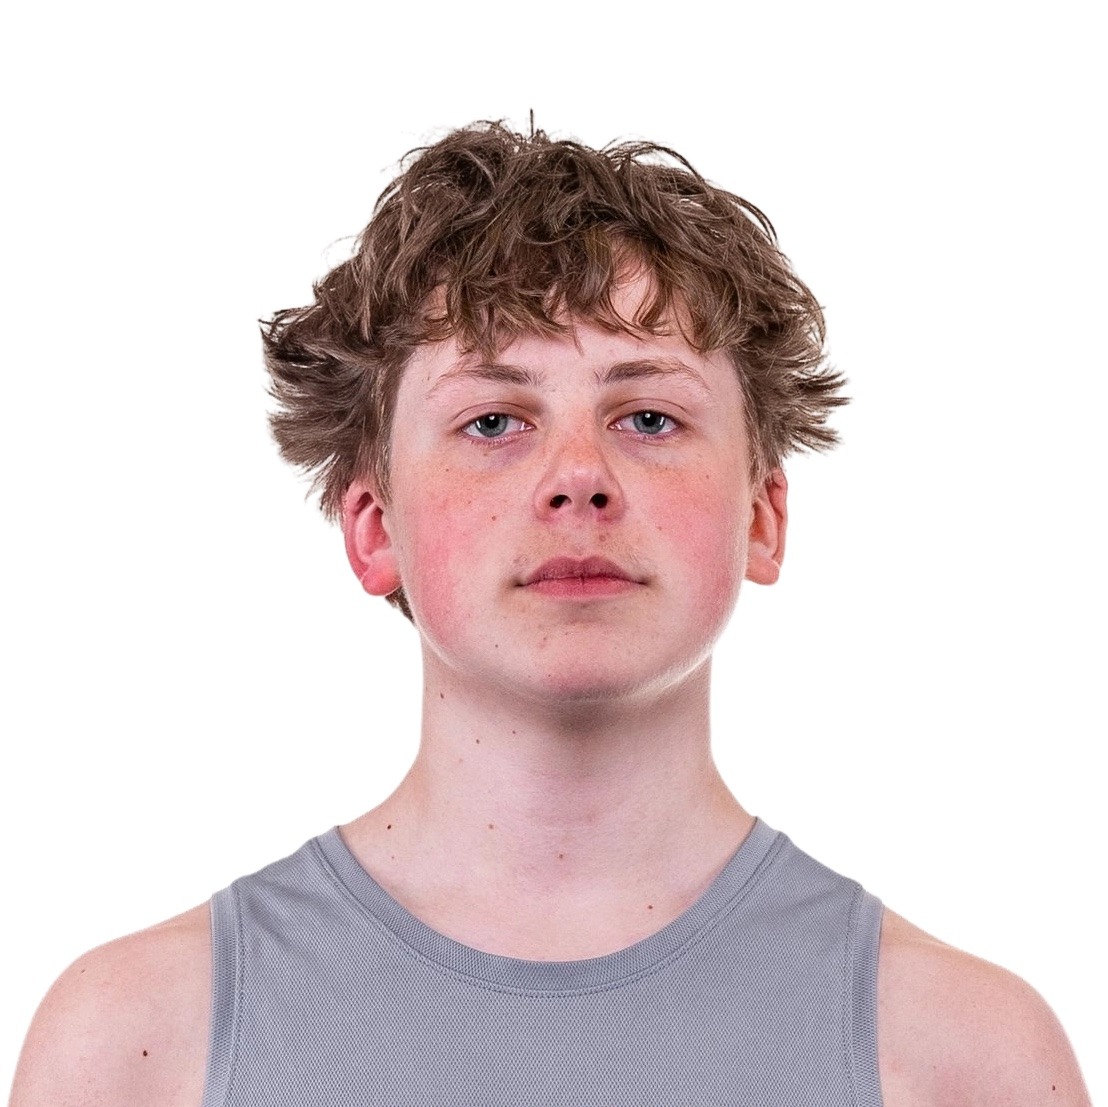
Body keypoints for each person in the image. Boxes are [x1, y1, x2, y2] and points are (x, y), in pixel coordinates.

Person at [10, 121, 1091, 1107]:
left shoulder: (965, 1056)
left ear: (762, 518)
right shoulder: (138, 1045)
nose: (579, 478)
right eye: (493, 421)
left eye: (649, 417)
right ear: (373, 528)